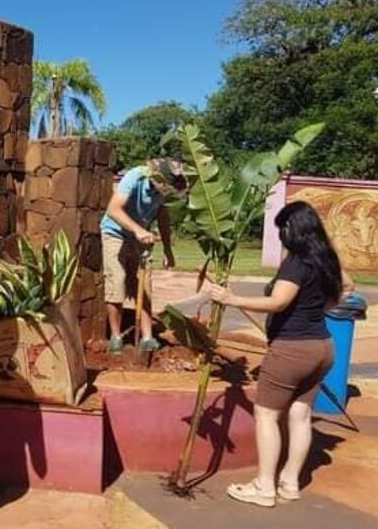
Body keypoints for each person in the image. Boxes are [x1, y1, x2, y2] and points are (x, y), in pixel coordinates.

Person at [209, 200, 354, 508]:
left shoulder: (297, 262)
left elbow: (278, 302)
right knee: (300, 415)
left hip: (291, 350)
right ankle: (289, 482)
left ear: (292, 230)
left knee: (266, 416)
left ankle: (264, 486)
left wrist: (231, 298)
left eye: (282, 230)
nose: (281, 237)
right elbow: (348, 285)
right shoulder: (325, 258)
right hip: (322, 347)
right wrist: (322, 309)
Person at [100, 158, 180, 354]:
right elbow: (113, 209)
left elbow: (162, 216)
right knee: (116, 284)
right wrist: (137, 230)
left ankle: (147, 337)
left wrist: (168, 250)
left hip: (141, 237)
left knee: (144, 288)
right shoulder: (134, 177)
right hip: (115, 233)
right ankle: (116, 336)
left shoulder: (163, 191)